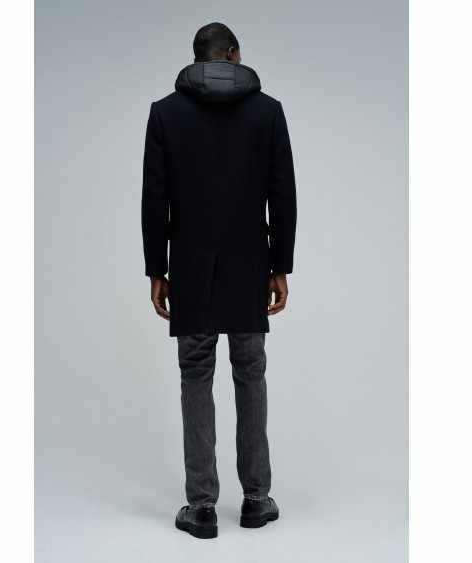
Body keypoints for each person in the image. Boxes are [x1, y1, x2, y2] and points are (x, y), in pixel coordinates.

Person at [141, 22, 297, 539]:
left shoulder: (165, 113)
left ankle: (202, 507)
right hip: (250, 264)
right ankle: (256, 499)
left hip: (189, 267)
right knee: (250, 373)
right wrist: (280, 265)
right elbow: (283, 193)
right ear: (234, 55)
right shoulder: (268, 111)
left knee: (195, 377)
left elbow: (154, 198)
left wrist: (156, 268)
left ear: (196, 59)